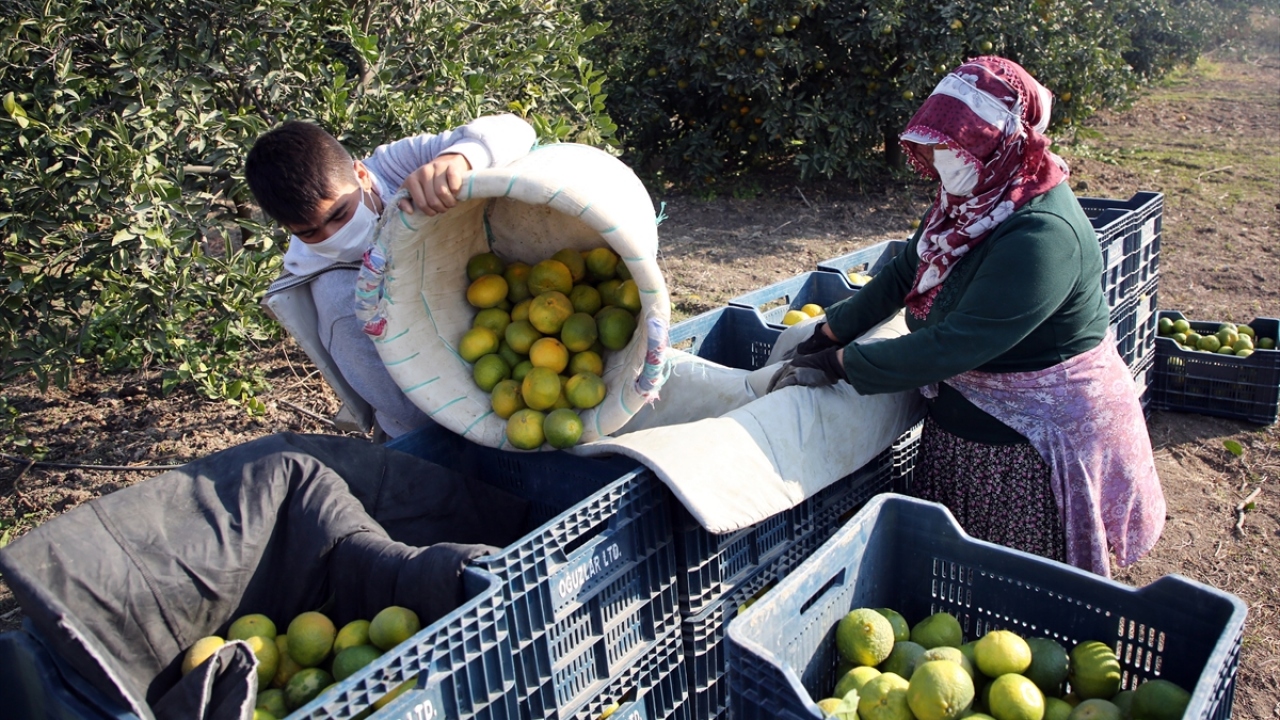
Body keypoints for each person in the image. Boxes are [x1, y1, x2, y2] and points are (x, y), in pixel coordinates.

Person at [770, 57, 1164, 577]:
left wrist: (841, 364)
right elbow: (903, 272)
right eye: (934, 145)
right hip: (971, 410)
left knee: (1014, 582)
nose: (939, 160)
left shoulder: (1040, 233)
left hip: (1032, 435)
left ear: (1004, 141)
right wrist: (827, 331)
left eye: (955, 148)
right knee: (958, 571)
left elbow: (955, 344)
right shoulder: (969, 203)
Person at [247, 115, 537, 438]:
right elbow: (410, 409)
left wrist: (458, 159)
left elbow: (516, 130)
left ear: (361, 174)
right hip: (440, 428)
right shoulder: (340, 301)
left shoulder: (393, 168)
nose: (333, 234)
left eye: (340, 214)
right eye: (311, 233)